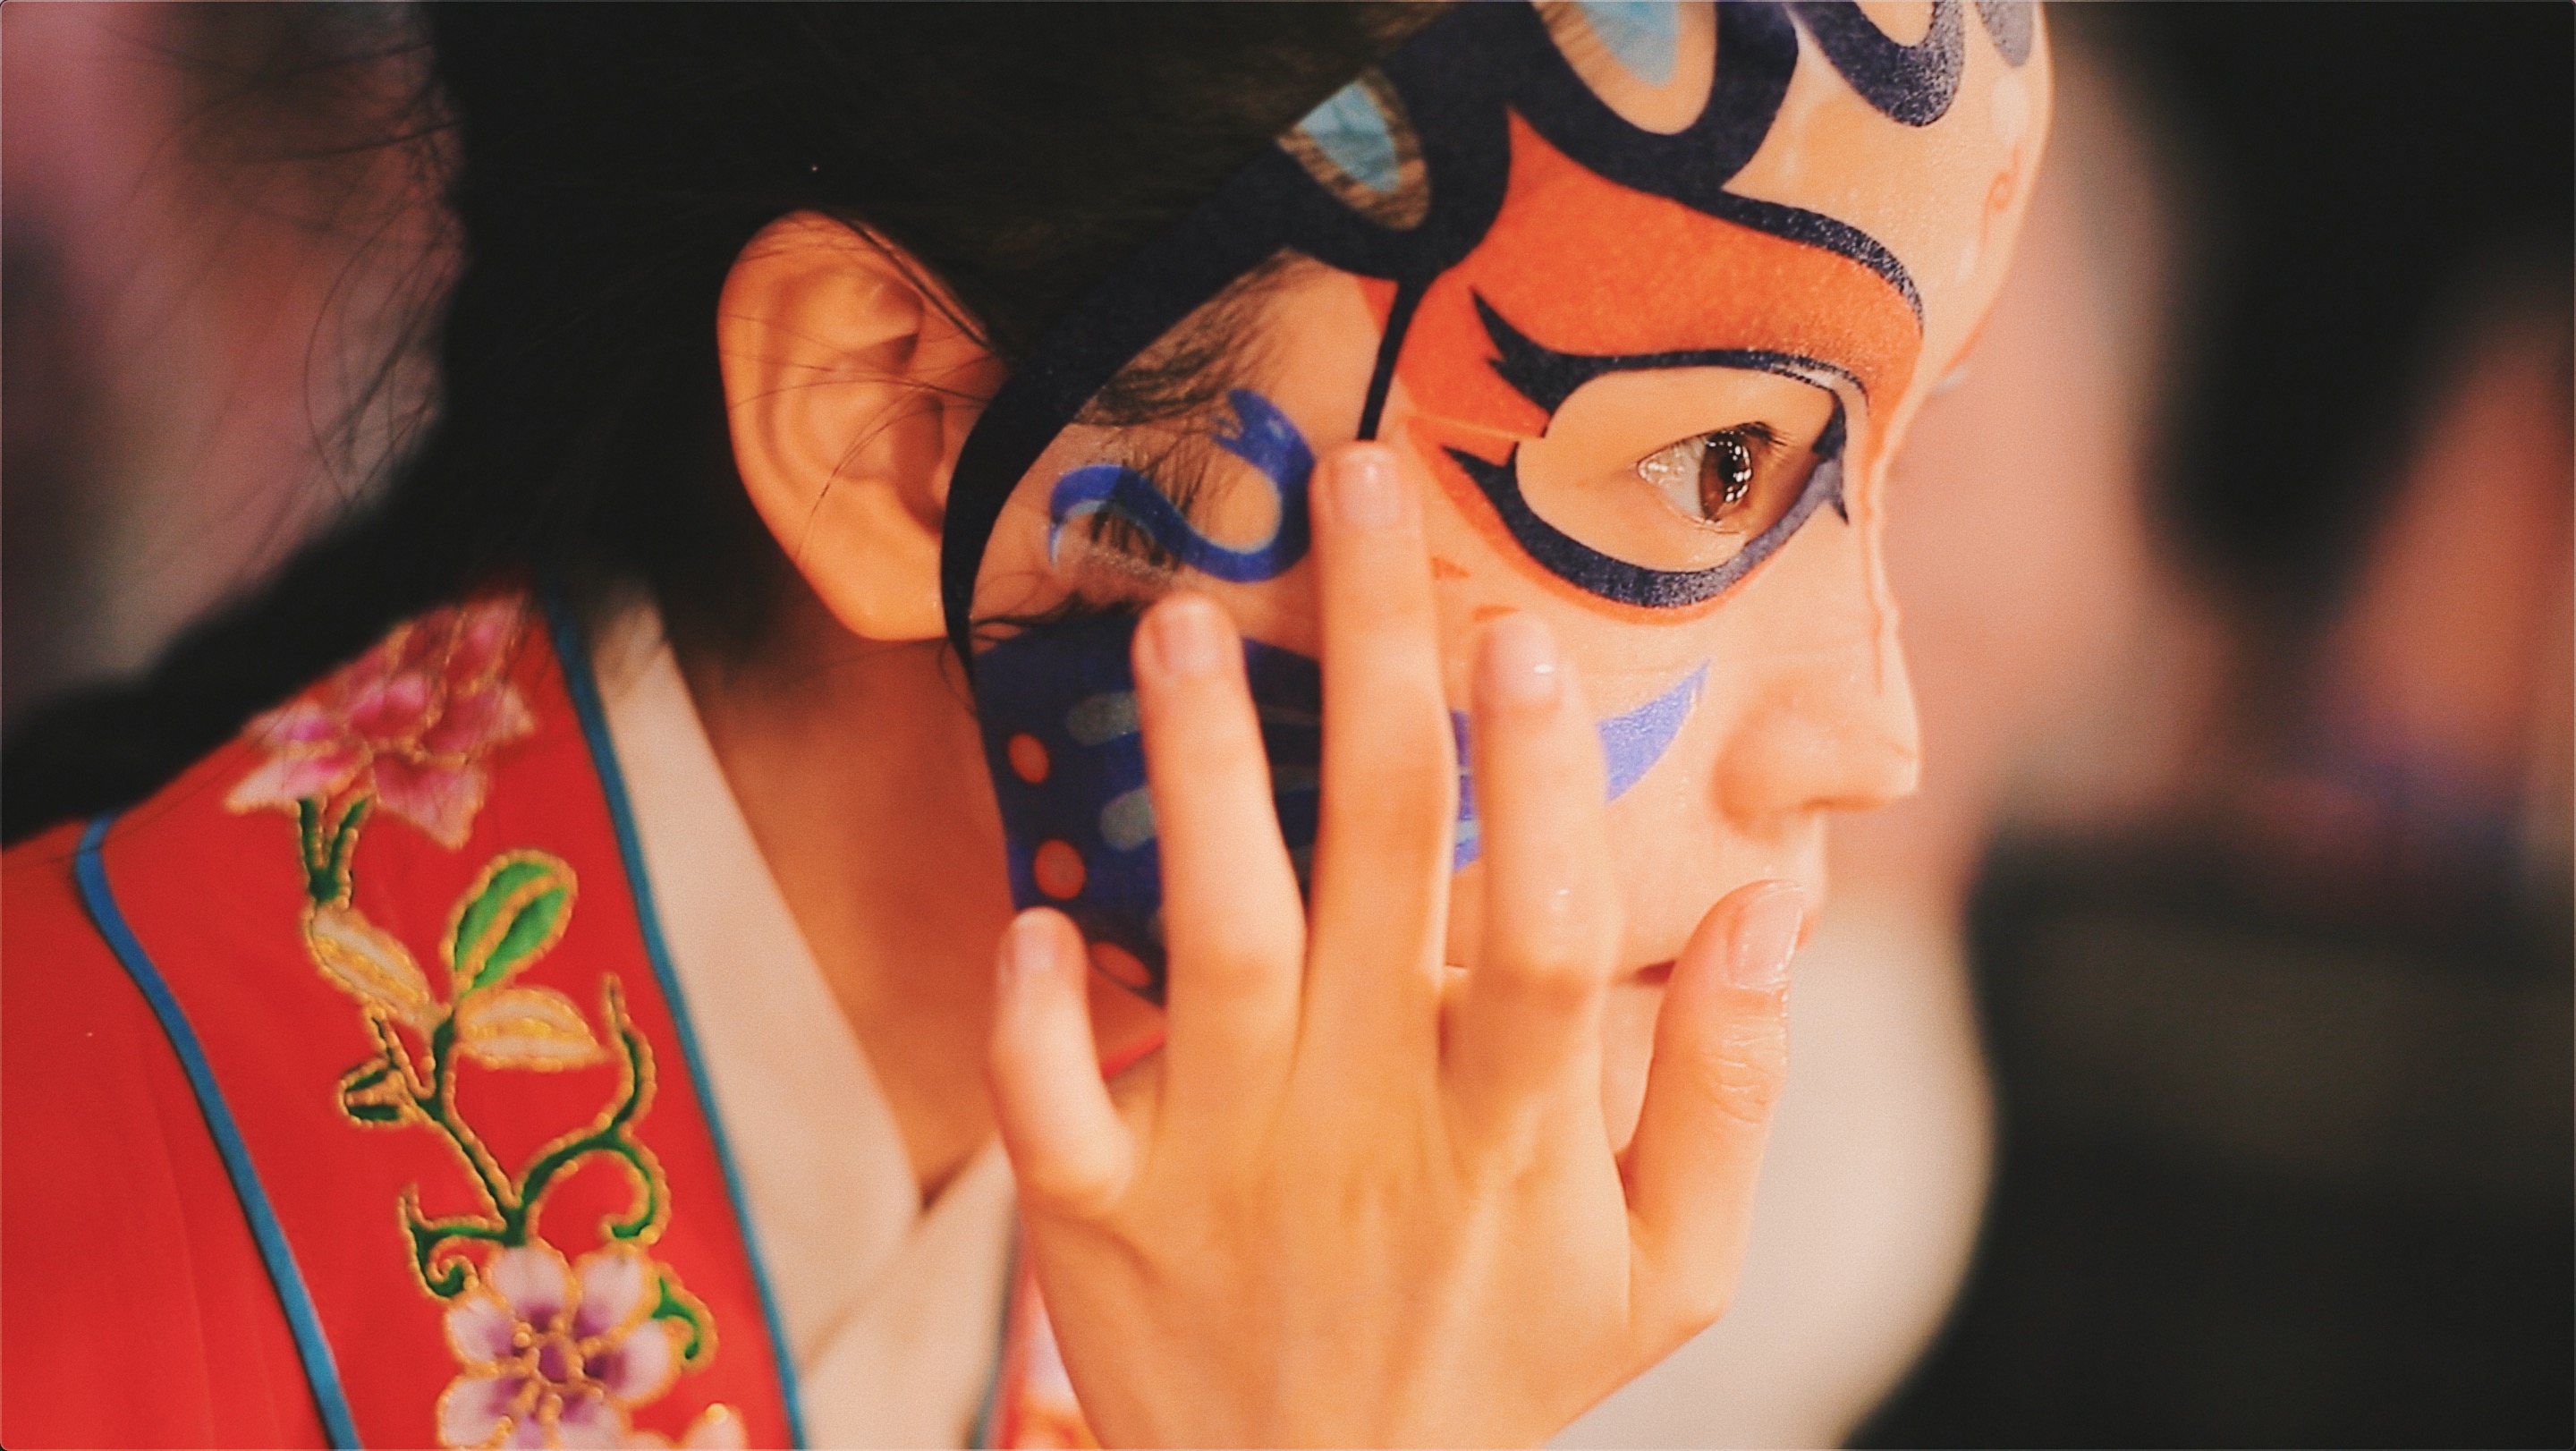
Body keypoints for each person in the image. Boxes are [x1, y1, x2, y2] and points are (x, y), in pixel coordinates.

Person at [0, 4, 2049, 1447]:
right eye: (1709, 464)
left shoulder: (1234, 1248)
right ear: (904, 432)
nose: (1871, 735)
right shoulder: (63, 1282)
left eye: (1885, 454)